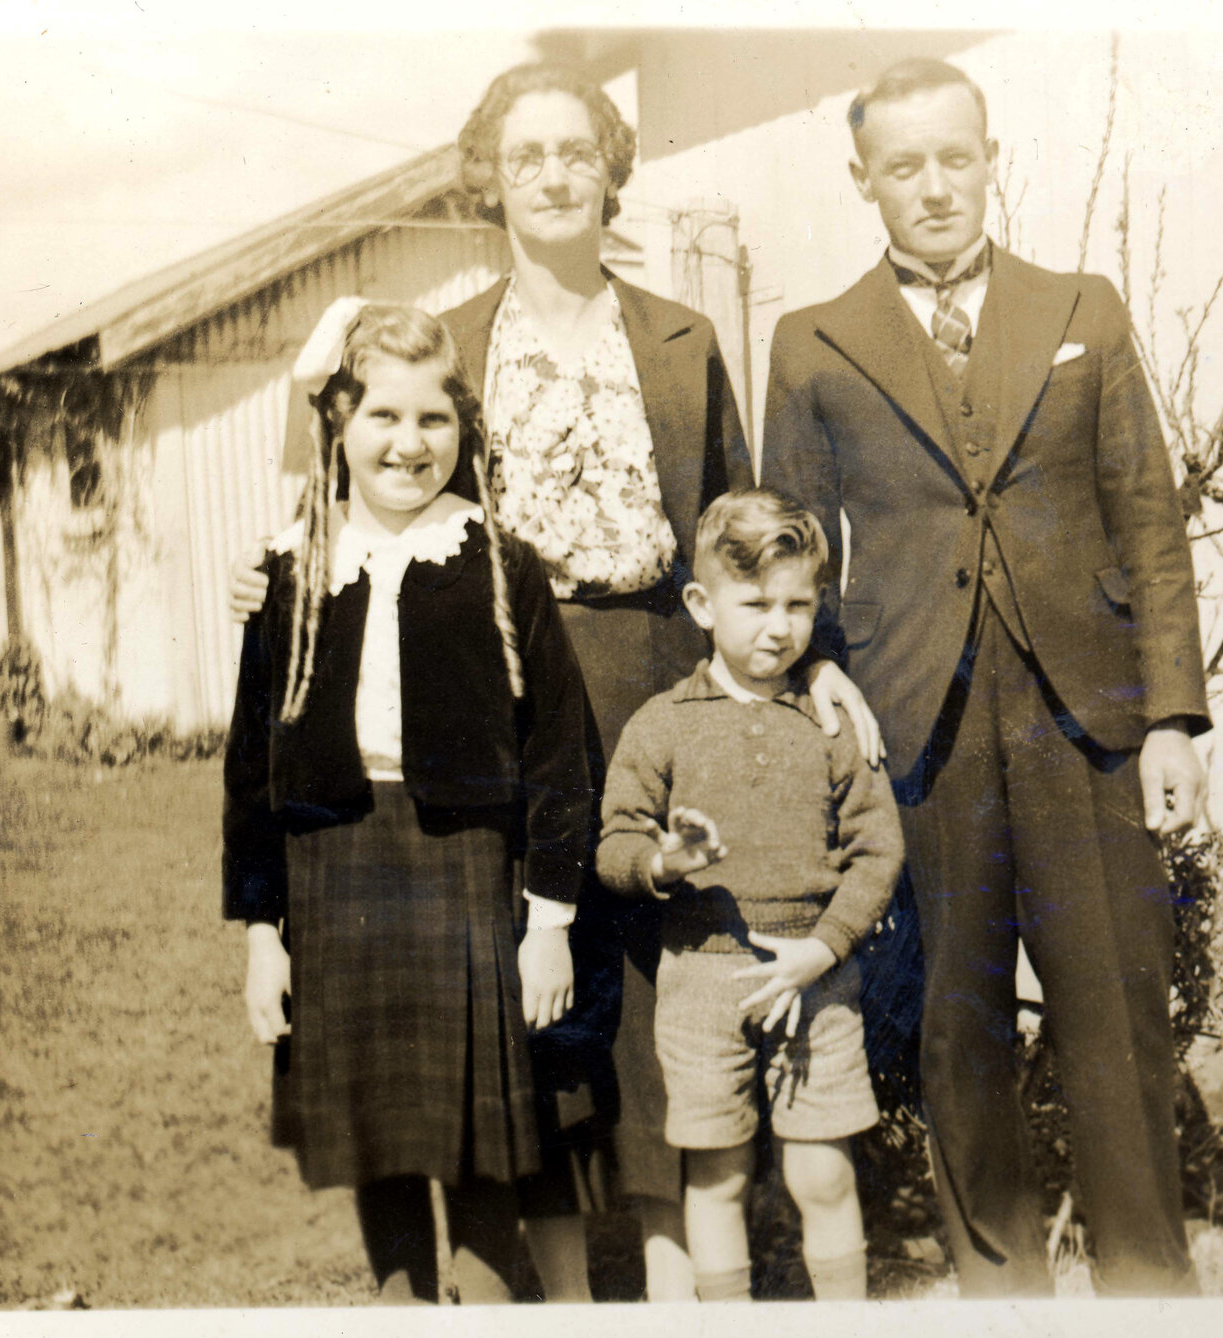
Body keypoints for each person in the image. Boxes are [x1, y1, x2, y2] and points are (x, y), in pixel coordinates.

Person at [227, 61, 883, 1302]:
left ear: (611, 168)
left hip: (659, 674)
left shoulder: (681, 341)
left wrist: (819, 664)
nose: (552, 175)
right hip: (509, 694)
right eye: (523, 155)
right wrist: (263, 585)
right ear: (489, 178)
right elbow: (358, 500)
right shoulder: (454, 345)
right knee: (542, 986)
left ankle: (686, 1272)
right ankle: (574, 1288)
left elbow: (741, 535)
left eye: (576, 150)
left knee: (662, 975)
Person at [758, 58, 1212, 1297]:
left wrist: (1171, 718)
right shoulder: (813, 343)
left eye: (955, 157)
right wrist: (823, 689)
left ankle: (1148, 1289)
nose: (934, 186)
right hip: (918, 731)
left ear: (991, 157)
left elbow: (1149, 522)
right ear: (864, 181)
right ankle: (999, 1290)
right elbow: (785, 550)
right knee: (955, 1028)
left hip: (1087, 726)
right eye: (902, 165)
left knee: (1116, 1022)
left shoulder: (1083, 311)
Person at [223, 299, 594, 1304]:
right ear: (338, 426)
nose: (407, 443)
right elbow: (251, 765)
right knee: (379, 1136)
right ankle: (400, 1309)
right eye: (381, 417)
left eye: (433, 419)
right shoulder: (291, 573)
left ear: (463, 430)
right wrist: (264, 931)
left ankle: (484, 1305)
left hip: (467, 867)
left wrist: (548, 922)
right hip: (333, 871)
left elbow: (561, 751)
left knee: (478, 1140)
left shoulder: (496, 564)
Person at [594, 489, 903, 1302]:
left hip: (816, 979)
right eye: (756, 602)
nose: (779, 625)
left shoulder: (831, 720)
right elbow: (615, 845)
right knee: (717, 1179)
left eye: (799, 604)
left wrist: (823, 948)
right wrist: (662, 860)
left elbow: (877, 852)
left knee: (823, 1174)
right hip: (701, 980)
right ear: (701, 603)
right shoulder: (661, 724)